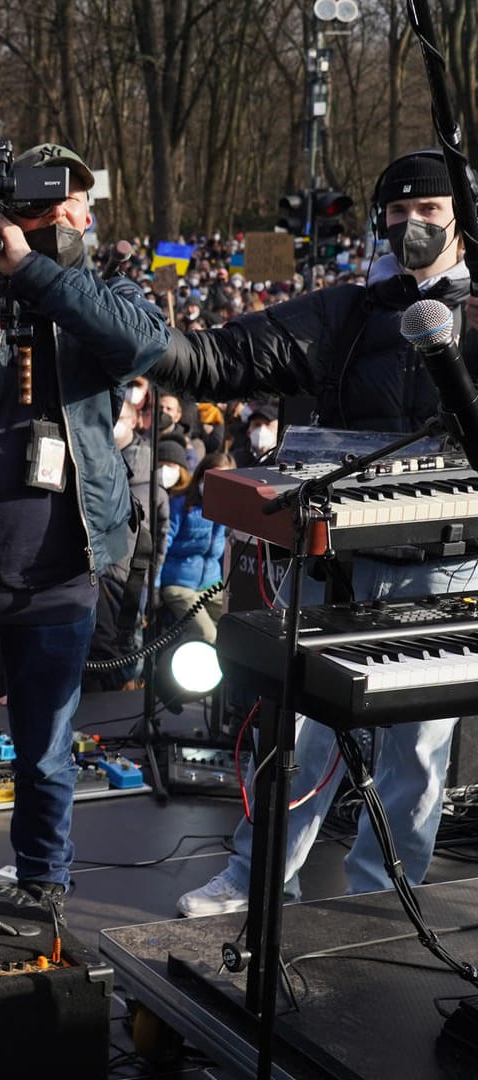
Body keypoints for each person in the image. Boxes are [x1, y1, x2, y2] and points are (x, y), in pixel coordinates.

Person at [154, 148, 476, 917]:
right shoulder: (348, 313)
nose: (412, 227)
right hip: (336, 563)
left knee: (419, 757)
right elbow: (231, 354)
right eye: (397, 214)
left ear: (460, 220)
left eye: (429, 212)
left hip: (443, 568)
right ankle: (257, 877)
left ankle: (380, 903)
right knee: (297, 737)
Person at [0, 141, 170, 913]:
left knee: (47, 758)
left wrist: (39, 272)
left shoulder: (99, 297)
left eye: (76, 203)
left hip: (57, 578)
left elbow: (146, 343)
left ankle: (45, 882)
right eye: (46, 206)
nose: (70, 217)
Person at [159, 451, 231, 644]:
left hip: (211, 583)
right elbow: (163, 545)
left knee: (233, 629)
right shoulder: (181, 504)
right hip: (179, 585)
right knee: (207, 635)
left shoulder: (226, 509)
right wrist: (155, 585)